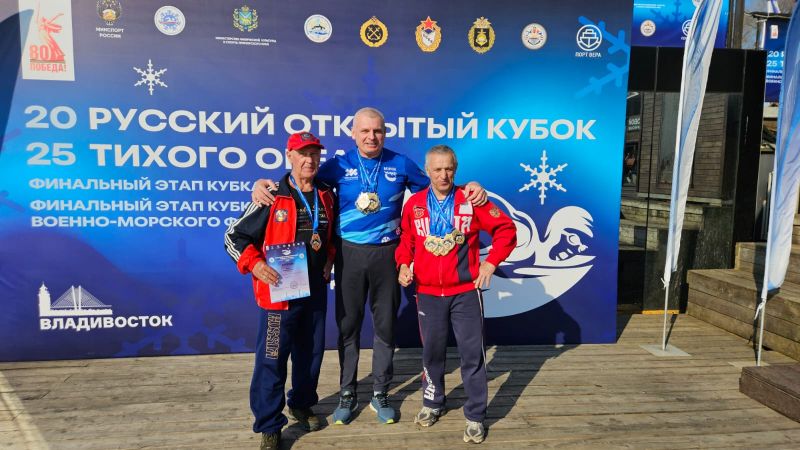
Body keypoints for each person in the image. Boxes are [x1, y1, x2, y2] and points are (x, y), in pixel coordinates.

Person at [250, 107, 488, 425]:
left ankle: (380, 392)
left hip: (387, 255)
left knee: (385, 327)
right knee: (348, 327)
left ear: (385, 133)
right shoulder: (337, 166)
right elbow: (300, 180)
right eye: (365, 131)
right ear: (353, 133)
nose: (371, 137)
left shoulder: (400, 163)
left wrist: (471, 186)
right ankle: (347, 393)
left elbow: (439, 188)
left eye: (377, 131)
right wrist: (262, 184)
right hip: (348, 255)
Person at [396, 144, 516, 444]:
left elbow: (506, 230)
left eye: (448, 168)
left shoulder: (471, 199)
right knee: (432, 352)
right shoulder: (415, 204)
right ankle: (432, 402)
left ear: (456, 168)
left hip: (465, 292)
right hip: (427, 292)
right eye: (437, 169)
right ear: (427, 171)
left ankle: (475, 416)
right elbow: (407, 240)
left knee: (472, 355)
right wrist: (403, 264)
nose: (443, 175)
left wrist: (490, 262)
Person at [224, 131, 336, 450]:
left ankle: (301, 404)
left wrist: (330, 258)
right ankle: (270, 425)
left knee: (310, 355)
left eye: (314, 154)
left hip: (314, 292)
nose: (309, 160)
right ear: (289, 156)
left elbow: (330, 238)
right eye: (302, 153)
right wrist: (255, 264)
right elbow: (233, 237)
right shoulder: (272, 195)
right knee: (272, 358)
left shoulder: (327, 194)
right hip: (278, 295)